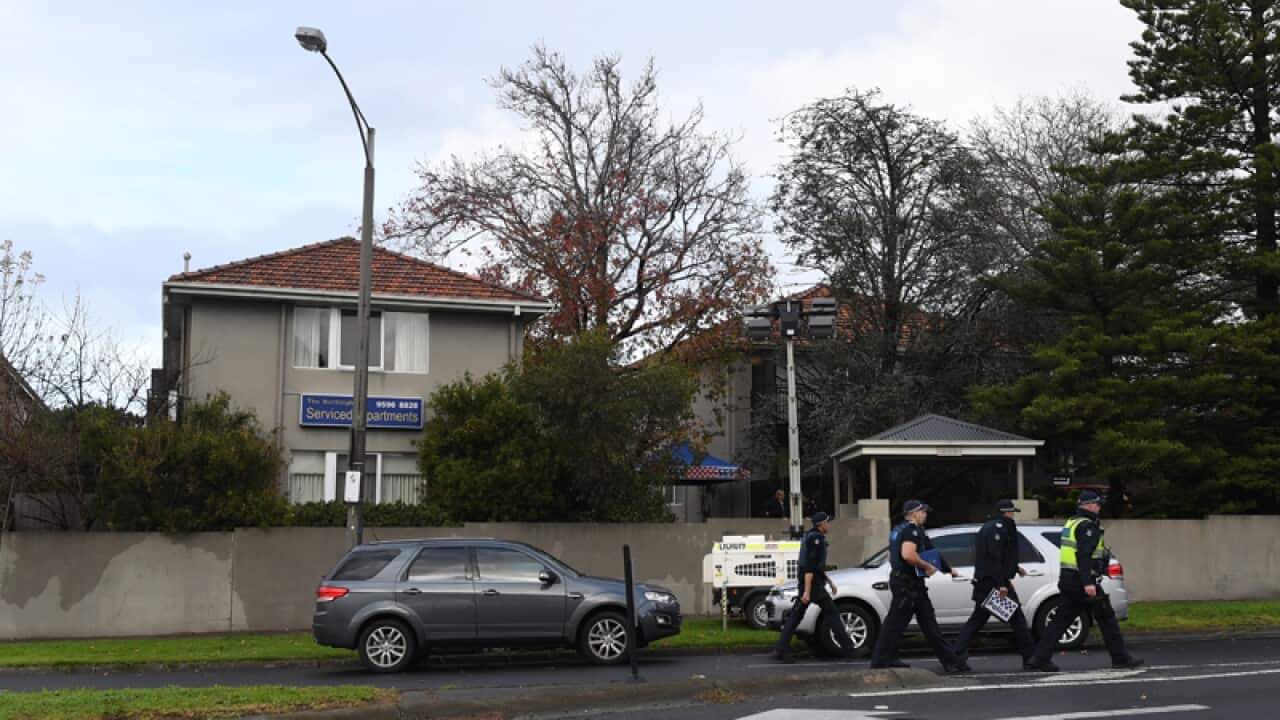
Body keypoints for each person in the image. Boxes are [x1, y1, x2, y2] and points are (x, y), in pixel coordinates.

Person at [1028, 490, 1143, 672]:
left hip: (1069, 579)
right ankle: (1120, 658)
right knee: (1107, 619)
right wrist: (1088, 583)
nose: (1099, 507)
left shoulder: (1072, 522)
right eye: (1097, 504)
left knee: (1060, 620)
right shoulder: (1087, 526)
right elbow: (1083, 556)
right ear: (1088, 505)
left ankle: (1039, 658)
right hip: (1082, 581)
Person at [869, 499, 969, 673]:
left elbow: (903, 554)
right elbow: (908, 554)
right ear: (914, 513)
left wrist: (947, 569)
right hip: (907, 585)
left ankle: (950, 661)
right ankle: (880, 661)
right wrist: (927, 567)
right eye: (923, 512)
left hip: (908, 583)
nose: (925, 515)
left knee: (927, 625)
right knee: (896, 624)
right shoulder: (911, 531)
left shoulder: (899, 529)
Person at [953, 499, 1036, 670]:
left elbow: (1001, 556)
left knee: (978, 620)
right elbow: (994, 558)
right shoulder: (997, 529)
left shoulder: (991, 527)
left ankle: (955, 656)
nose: (1013, 515)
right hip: (994, 583)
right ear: (1005, 512)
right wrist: (1001, 584)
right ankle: (1030, 659)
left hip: (988, 583)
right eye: (1011, 512)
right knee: (1017, 620)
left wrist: (1015, 568)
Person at [773, 511, 856, 663]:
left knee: (796, 616)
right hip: (813, 586)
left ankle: (781, 648)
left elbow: (815, 567)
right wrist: (807, 591)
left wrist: (828, 581)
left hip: (811, 583)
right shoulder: (816, 539)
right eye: (827, 522)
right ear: (821, 525)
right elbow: (810, 567)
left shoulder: (810, 536)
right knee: (832, 615)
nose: (829, 525)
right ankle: (849, 650)